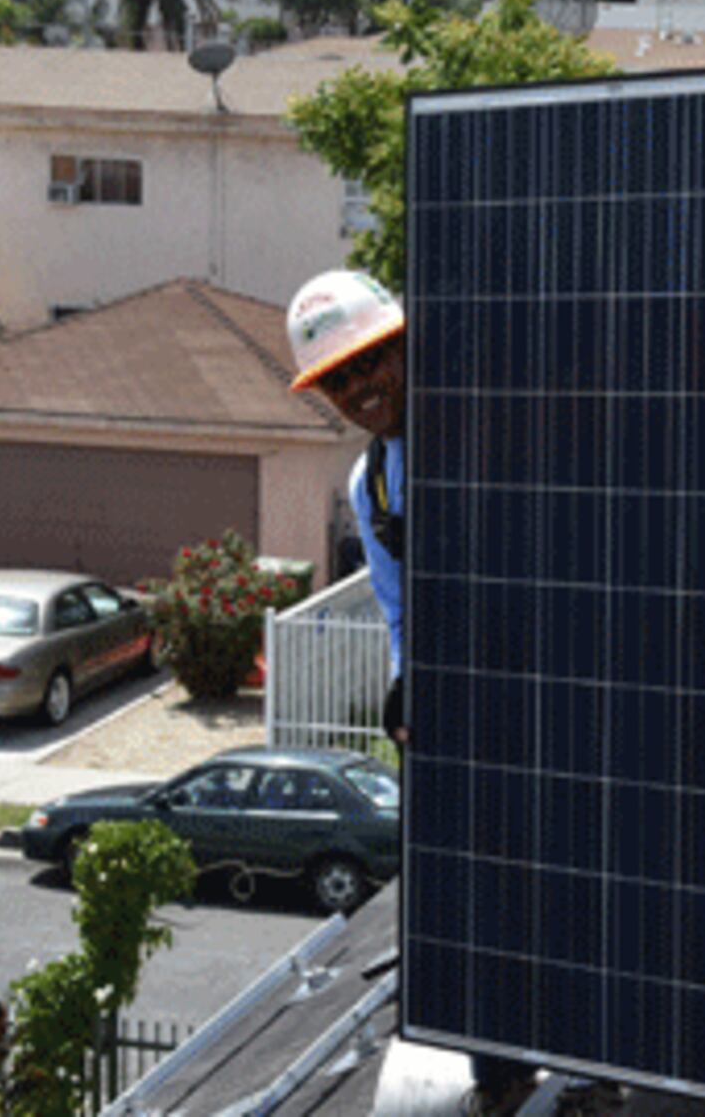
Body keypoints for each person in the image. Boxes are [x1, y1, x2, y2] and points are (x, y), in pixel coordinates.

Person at [283, 269, 542, 1115]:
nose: (363, 390)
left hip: (556, 684)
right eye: (340, 380)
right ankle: (501, 1072)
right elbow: (401, 612)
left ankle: (606, 1044)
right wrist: (410, 696)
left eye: (372, 363)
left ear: (404, 345)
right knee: (478, 894)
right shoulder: (376, 488)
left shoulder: (493, 425)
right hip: (474, 713)